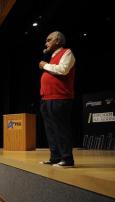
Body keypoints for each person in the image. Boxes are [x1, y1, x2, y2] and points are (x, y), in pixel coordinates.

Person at [39, 31, 76, 167]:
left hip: (60, 98)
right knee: (50, 130)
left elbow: (63, 69)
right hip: (46, 99)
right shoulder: (52, 57)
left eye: (49, 40)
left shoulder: (67, 52)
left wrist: (44, 66)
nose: (46, 43)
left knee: (61, 129)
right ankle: (55, 157)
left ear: (58, 41)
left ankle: (67, 159)